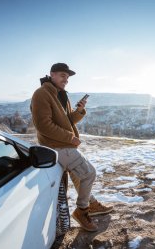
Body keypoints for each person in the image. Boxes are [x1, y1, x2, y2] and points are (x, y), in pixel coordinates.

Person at [31, 63, 113, 232]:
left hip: (64, 144)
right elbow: (43, 125)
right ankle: (81, 212)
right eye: (62, 75)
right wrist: (71, 138)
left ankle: (92, 205)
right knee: (89, 173)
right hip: (55, 146)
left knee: (79, 176)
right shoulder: (41, 94)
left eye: (67, 77)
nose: (66, 80)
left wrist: (80, 111)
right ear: (52, 75)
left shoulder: (61, 95)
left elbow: (67, 121)